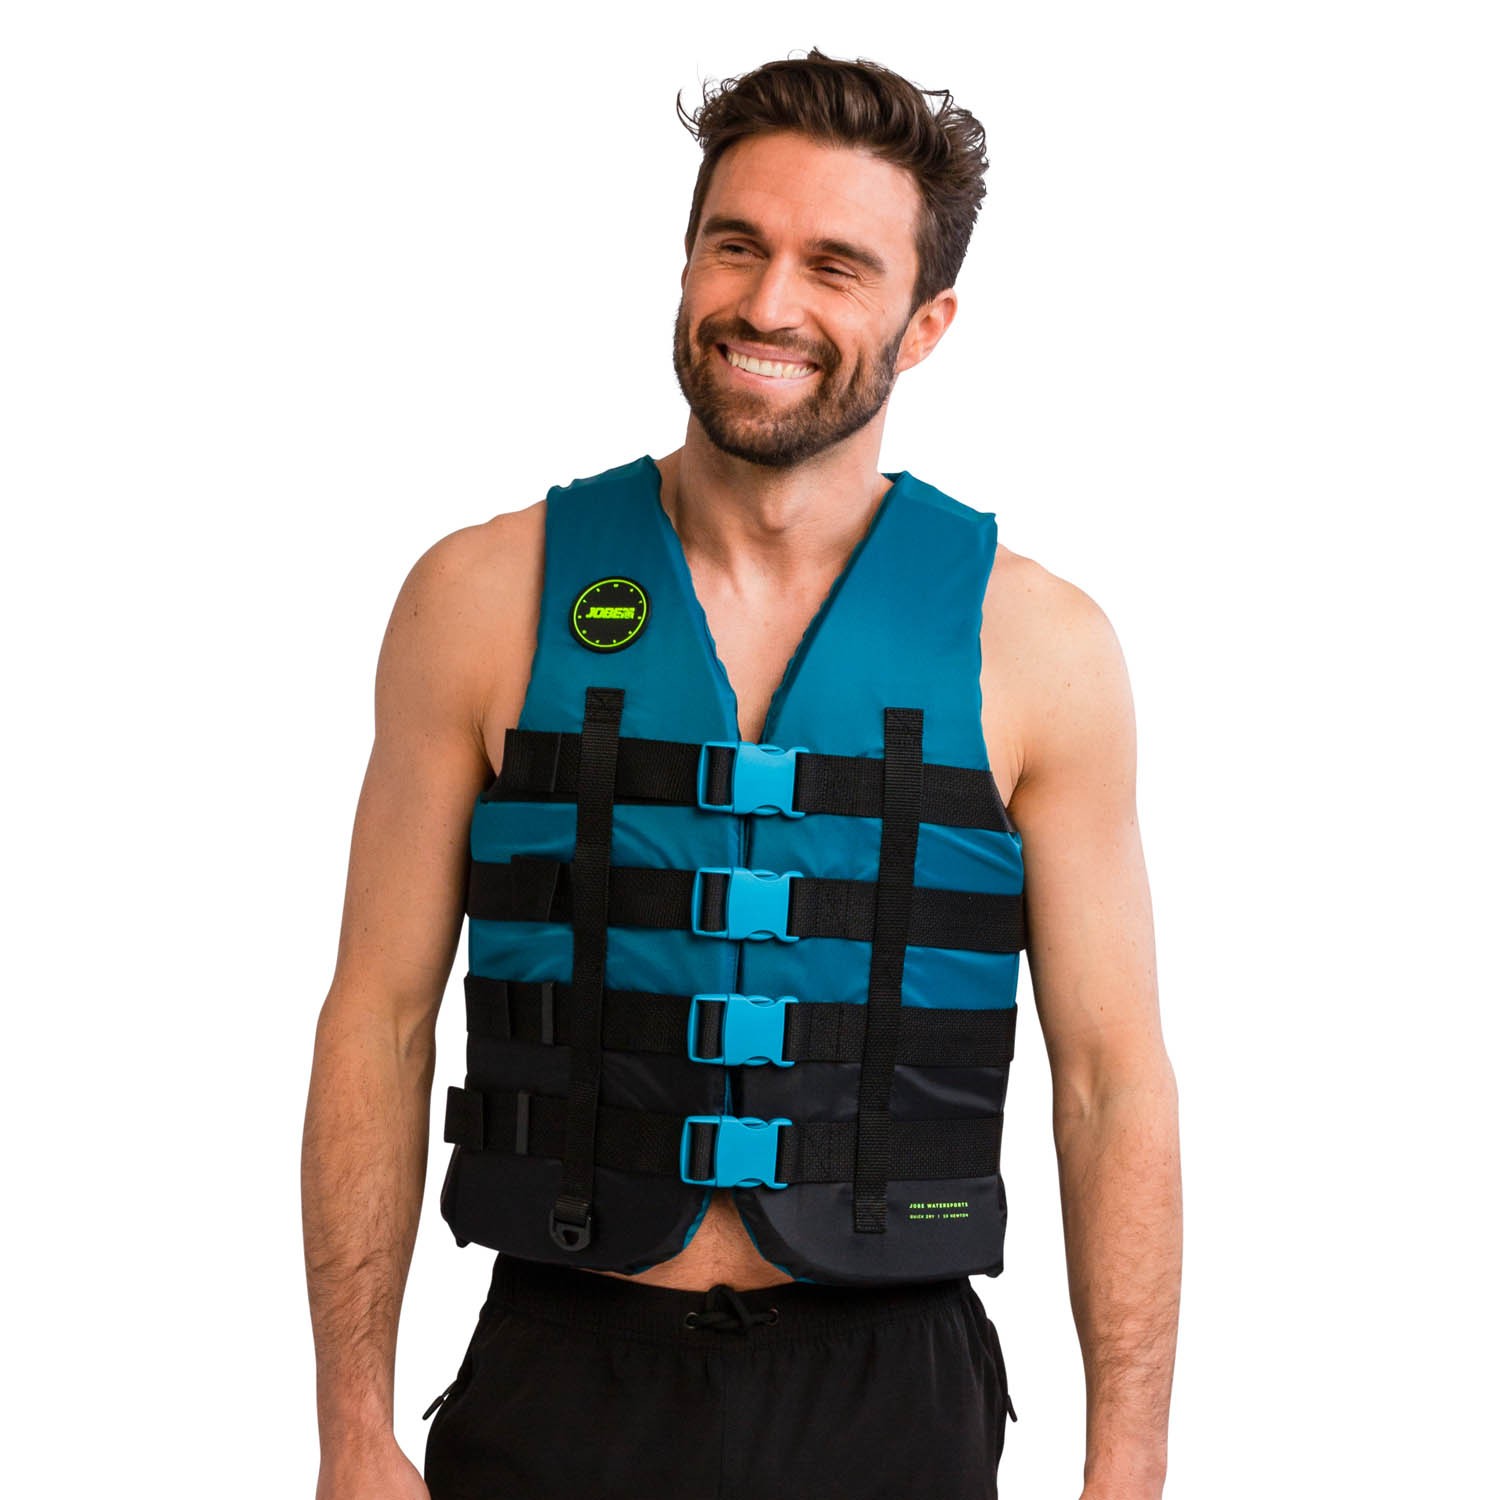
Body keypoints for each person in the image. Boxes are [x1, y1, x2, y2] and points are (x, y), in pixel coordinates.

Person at [302, 48, 1180, 1500]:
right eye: (737, 245)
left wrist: (1129, 1471)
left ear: (926, 322)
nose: (770, 304)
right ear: (687, 259)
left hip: (890, 1393)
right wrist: (352, 1427)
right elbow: (378, 1018)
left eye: (837, 266)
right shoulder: (480, 597)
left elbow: (1110, 1082)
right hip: (561, 1372)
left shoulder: (1041, 647)